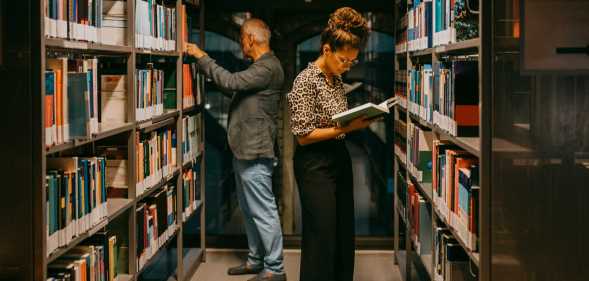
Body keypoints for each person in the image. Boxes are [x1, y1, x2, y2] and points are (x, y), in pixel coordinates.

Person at [185, 18, 286, 281]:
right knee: (251, 209)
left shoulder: (267, 68)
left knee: (263, 210)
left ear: (251, 38)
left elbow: (230, 82)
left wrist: (202, 57)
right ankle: (255, 260)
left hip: (256, 152)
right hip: (245, 150)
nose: (241, 43)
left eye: (242, 38)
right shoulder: (259, 67)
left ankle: (275, 269)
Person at [287, 7, 372, 281]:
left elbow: (334, 119)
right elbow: (303, 134)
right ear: (326, 50)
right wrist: (345, 126)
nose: (347, 66)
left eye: (352, 62)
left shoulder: (335, 79)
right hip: (313, 163)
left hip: (339, 156)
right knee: (321, 235)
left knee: (342, 232)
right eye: (343, 60)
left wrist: (352, 121)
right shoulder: (305, 81)